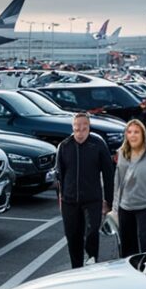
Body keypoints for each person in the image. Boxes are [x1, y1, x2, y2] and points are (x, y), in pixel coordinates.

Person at [55, 113, 115, 269]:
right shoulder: (64, 146)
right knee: (73, 237)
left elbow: (108, 174)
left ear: (89, 127)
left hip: (92, 200)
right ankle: (76, 268)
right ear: (73, 127)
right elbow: (59, 177)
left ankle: (92, 262)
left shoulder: (97, 145)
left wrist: (109, 201)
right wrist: (60, 198)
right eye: (77, 128)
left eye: (84, 127)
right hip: (69, 201)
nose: (80, 131)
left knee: (91, 233)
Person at [114, 118, 146, 257]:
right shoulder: (122, 154)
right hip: (126, 207)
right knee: (127, 252)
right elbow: (118, 182)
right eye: (129, 132)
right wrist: (115, 208)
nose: (133, 135)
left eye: (136, 132)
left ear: (143, 134)